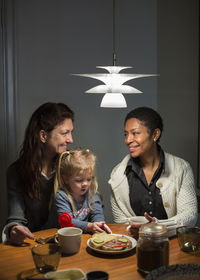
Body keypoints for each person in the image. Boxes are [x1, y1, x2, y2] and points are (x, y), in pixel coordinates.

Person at [109, 107, 198, 236]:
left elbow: (190, 216)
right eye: (126, 134)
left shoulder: (182, 168)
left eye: (135, 133)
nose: (128, 140)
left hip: (172, 248)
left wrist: (156, 227)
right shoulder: (117, 175)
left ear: (155, 134)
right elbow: (120, 222)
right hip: (134, 247)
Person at [2, 102, 74, 245]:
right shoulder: (16, 172)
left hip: (68, 241)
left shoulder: (70, 165)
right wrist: (15, 230)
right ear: (43, 136)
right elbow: (16, 219)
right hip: (33, 245)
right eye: (65, 133)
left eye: (71, 132)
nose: (71, 139)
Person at [54, 149, 112, 234]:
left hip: (82, 235)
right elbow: (66, 222)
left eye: (89, 179)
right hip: (62, 236)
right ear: (66, 179)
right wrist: (88, 226)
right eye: (79, 180)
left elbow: (97, 214)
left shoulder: (92, 194)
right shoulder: (61, 196)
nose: (85, 184)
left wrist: (99, 225)